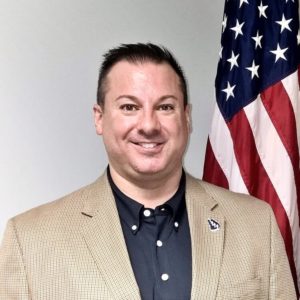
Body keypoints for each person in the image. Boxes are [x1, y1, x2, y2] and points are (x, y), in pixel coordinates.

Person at [0, 43, 296, 300]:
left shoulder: (257, 226)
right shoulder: (30, 240)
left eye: (165, 107)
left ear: (187, 117)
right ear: (99, 118)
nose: (149, 125)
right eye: (129, 107)